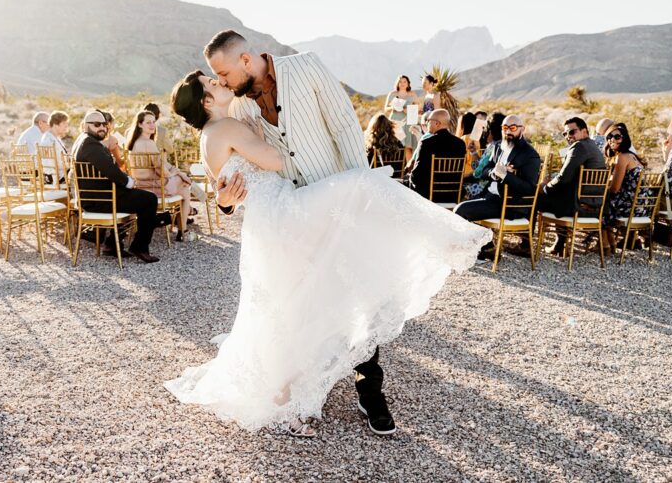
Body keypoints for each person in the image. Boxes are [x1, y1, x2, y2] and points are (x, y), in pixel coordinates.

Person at [164, 70, 489, 438]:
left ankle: (289, 393)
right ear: (206, 102)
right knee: (361, 186)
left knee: (294, 305)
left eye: (219, 77)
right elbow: (273, 160)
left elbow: (222, 183)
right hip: (286, 212)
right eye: (212, 83)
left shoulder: (209, 135)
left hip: (269, 221)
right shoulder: (228, 126)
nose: (220, 83)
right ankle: (443, 235)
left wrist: (226, 191)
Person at [201, 29, 435, 437]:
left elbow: (345, 126)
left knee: (360, 291)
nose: (220, 81)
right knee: (306, 299)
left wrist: (360, 191)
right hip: (294, 217)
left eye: (222, 72)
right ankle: (312, 384)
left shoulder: (306, 66)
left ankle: (370, 390)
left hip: (341, 204)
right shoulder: (236, 108)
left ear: (244, 60)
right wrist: (224, 202)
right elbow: (242, 172)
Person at [74, 110, 169, 263]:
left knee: (138, 197)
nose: (102, 128)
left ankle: (111, 245)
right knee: (149, 199)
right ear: (85, 126)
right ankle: (140, 247)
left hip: (100, 197)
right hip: (101, 200)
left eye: (104, 124)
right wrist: (129, 182)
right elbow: (110, 170)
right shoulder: (90, 144)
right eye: (97, 124)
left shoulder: (84, 140)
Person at [454, 115, 542, 259]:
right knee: (461, 205)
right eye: (505, 128)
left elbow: (529, 189)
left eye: (513, 128)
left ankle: (479, 248)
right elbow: (483, 171)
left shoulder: (530, 155)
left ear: (522, 129)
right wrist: (495, 172)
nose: (508, 132)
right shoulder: (498, 147)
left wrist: (507, 176)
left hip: (509, 203)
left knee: (460, 210)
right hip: (490, 196)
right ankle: (487, 247)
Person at [537, 117, 607, 255]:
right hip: (594, 207)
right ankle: (559, 244)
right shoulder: (594, 147)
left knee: (534, 198)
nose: (568, 137)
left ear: (584, 131)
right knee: (556, 195)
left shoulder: (579, 146)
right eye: (565, 134)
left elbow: (563, 178)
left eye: (572, 132)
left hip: (576, 207)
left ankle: (526, 244)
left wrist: (544, 188)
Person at [127, 109, 194, 239]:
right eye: (148, 123)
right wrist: (176, 172)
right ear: (140, 125)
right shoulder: (149, 143)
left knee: (183, 188)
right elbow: (161, 172)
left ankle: (182, 228)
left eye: (153, 122)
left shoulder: (134, 143)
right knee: (185, 187)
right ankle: (183, 230)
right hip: (154, 187)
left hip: (140, 186)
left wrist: (176, 173)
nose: (152, 125)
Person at [600, 123, 649, 253]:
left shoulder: (622, 157)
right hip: (642, 207)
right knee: (606, 201)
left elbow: (615, 188)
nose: (612, 139)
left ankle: (605, 245)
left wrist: (602, 188)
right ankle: (610, 244)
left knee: (598, 204)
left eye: (617, 136)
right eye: (609, 136)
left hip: (631, 208)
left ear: (624, 138)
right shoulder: (632, 155)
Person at [407, 109, 466, 201]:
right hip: (453, 194)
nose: (427, 123)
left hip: (429, 194)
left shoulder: (426, 143)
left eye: (429, 121)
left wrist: (409, 177)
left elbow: (417, 175)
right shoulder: (460, 144)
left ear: (437, 123)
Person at [465, 112, 505, 199]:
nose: (483, 131)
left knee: (458, 185)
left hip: (484, 187)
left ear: (491, 131)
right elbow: (480, 166)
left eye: (485, 128)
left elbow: (478, 173)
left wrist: (465, 176)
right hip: (487, 184)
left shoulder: (495, 147)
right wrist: (474, 152)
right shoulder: (496, 145)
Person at [383, 75, 420, 163]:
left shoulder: (413, 94)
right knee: (395, 145)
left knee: (408, 146)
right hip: (395, 121)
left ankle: (409, 169)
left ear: (408, 84)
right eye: (400, 81)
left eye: (404, 82)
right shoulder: (392, 94)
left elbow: (418, 108)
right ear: (397, 83)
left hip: (408, 121)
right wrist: (393, 108)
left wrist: (409, 110)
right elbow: (385, 109)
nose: (402, 83)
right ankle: (395, 169)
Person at [38, 110, 69, 186]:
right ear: (55, 125)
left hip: (56, 175)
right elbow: (58, 163)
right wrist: (70, 165)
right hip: (58, 177)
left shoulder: (53, 137)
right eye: (64, 124)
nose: (66, 127)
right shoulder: (49, 141)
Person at [458, 112, 481, 178]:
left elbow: (465, 159)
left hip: (465, 172)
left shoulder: (464, 138)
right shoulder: (476, 139)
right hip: (475, 170)